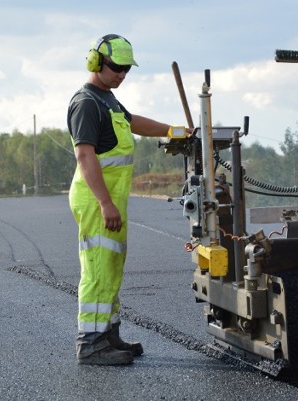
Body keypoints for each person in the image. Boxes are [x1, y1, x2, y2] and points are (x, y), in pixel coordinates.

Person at [67, 34, 184, 366]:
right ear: (96, 62)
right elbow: (85, 156)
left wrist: (174, 131)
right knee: (97, 269)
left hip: (110, 199)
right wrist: (105, 204)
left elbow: (134, 123)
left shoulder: (108, 99)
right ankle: (90, 344)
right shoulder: (86, 102)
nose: (121, 74)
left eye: (126, 70)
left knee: (112, 265)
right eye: (116, 68)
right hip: (96, 199)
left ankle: (108, 334)